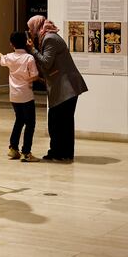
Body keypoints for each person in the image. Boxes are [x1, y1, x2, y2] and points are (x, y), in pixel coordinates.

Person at [27, 15, 87, 162]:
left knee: (58, 121)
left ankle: (60, 153)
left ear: (36, 26)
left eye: (30, 27)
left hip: (65, 87)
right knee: (61, 121)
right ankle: (61, 152)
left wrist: (32, 50)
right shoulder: (48, 37)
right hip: (64, 86)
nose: (29, 31)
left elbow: (46, 63)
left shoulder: (49, 39)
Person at [0, 31, 40, 162]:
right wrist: (35, 79)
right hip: (26, 95)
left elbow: (1, 58)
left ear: (12, 44)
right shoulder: (29, 58)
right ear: (26, 42)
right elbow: (34, 75)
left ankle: (13, 148)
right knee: (30, 123)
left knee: (19, 120)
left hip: (14, 96)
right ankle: (26, 153)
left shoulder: (10, 57)